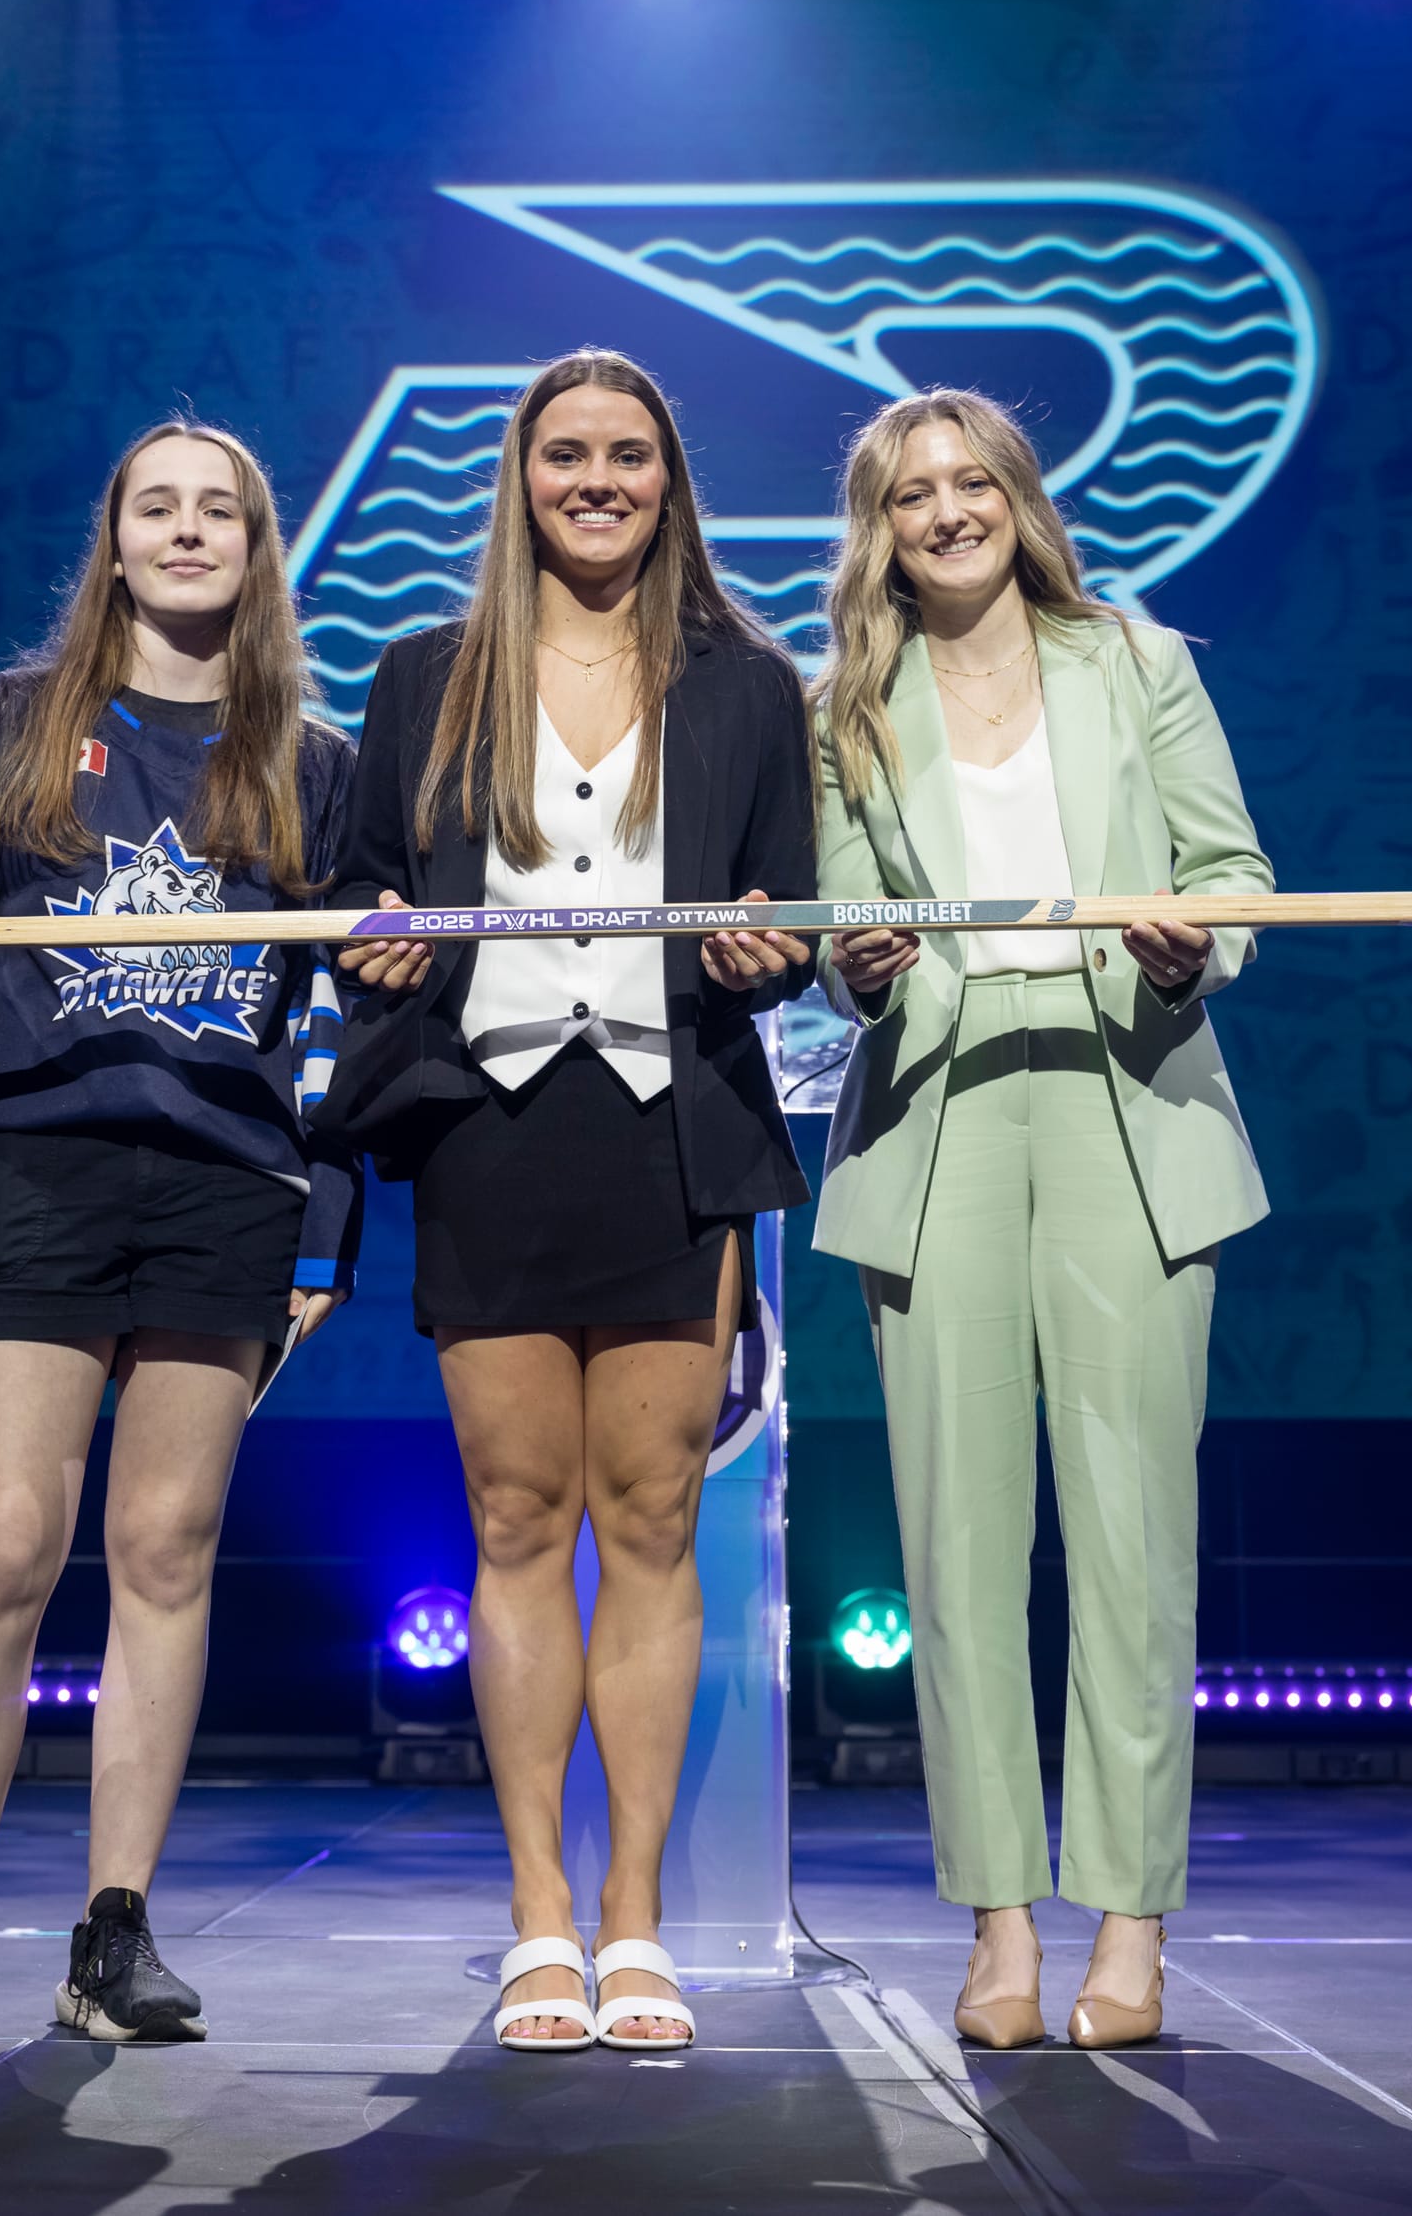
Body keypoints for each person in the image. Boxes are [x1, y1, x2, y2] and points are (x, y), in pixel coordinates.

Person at [0, 420, 358, 2044]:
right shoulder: (4, 723)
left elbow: (346, 1014)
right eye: (159, 507)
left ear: (256, 550)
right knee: (3, 1544)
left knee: (164, 1549)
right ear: (112, 539)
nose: (189, 532)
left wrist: (325, 1232)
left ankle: (114, 1933)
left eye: (222, 512)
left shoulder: (317, 765)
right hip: (35, 1162)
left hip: (226, 1182)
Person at [319, 350, 815, 2053]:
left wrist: (774, 942)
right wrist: (377, 936)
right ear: (518, 479)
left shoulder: (749, 686)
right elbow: (358, 894)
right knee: (520, 1523)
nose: (596, 481)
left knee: (654, 1524)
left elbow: (796, 913)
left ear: (670, 481)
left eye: (628, 457)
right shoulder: (424, 677)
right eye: (564, 457)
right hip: (492, 1126)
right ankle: (539, 1915)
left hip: (676, 1134)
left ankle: (637, 1923)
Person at [810, 386, 1271, 2051]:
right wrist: (852, 958)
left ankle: (1129, 1925)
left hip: (1127, 1102)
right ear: (881, 527)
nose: (946, 510)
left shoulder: (1136, 664)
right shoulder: (843, 707)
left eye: (970, 481)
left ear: (1019, 495)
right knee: (954, 1547)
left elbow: (1230, 879)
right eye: (911, 492)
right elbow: (839, 925)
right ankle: (1002, 1922)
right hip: (937, 1115)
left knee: (1136, 1541)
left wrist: (1187, 946)